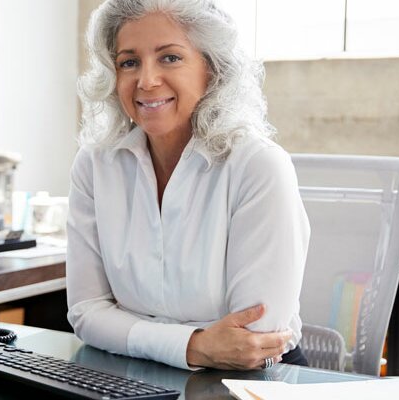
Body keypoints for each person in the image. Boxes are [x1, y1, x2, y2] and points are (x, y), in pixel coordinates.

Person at [67, 0, 310, 371]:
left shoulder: (258, 165)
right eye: (128, 62)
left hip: (259, 381)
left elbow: (250, 342)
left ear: (211, 69)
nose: (146, 80)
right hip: (140, 374)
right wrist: (193, 346)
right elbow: (86, 312)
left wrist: (130, 330)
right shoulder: (95, 164)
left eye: (170, 58)